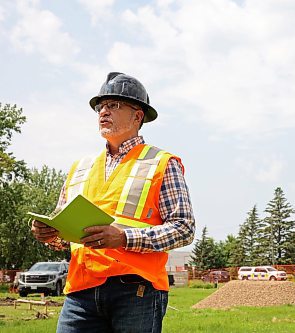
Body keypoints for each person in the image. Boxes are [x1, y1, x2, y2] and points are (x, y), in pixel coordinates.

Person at [31, 72, 195, 332]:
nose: (103, 111)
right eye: (101, 106)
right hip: (81, 291)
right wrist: (50, 233)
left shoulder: (161, 163)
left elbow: (184, 229)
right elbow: (66, 236)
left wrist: (124, 238)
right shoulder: (80, 168)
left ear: (137, 116)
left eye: (114, 105)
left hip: (135, 289)